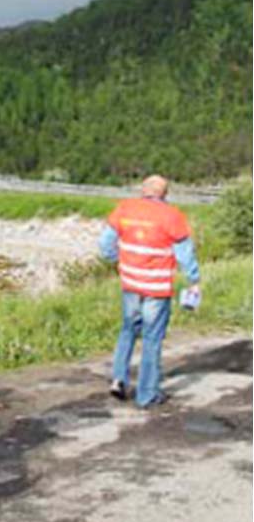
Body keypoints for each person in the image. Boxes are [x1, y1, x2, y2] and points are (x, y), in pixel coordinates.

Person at [99, 174, 201, 408]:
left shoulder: (124, 208)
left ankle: (119, 379)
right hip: (156, 287)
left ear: (142, 190)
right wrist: (193, 280)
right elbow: (185, 254)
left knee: (128, 330)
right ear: (165, 194)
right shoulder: (172, 215)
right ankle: (147, 395)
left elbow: (105, 245)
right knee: (152, 338)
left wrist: (119, 261)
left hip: (131, 283)